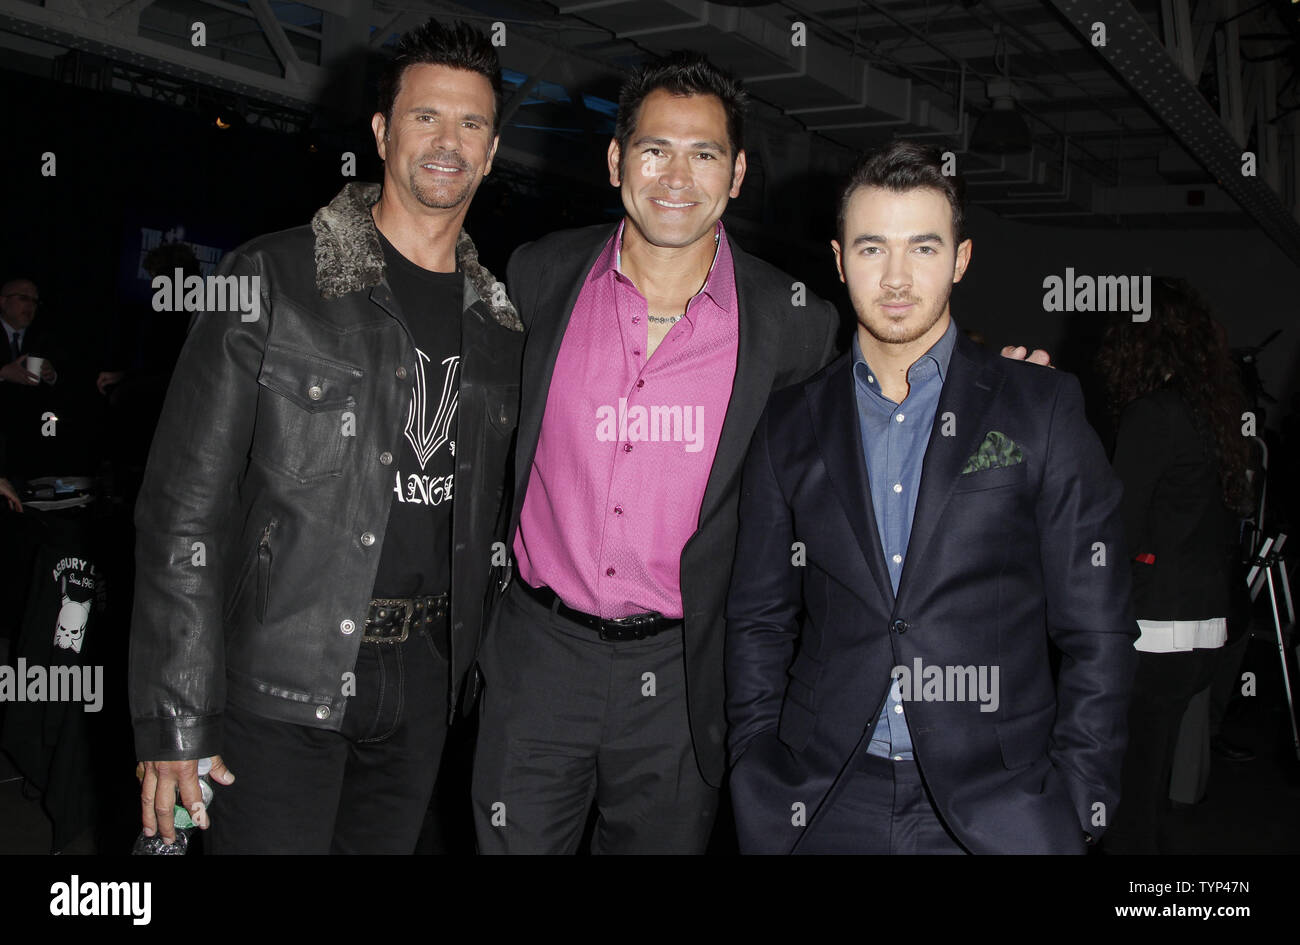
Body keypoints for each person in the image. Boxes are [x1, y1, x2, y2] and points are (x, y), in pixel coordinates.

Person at [470, 55, 1049, 854]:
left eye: (704, 154)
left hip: (686, 672)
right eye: (653, 149)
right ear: (615, 162)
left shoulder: (795, 323)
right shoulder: (543, 273)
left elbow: (880, 417)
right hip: (538, 658)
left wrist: (994, 392)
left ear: (737, 173)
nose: (678, 175)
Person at [129, 17, 524, 853]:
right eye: (425, 117)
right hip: (280, 672)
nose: (447, 142)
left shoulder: (501, 326)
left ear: (491, 152)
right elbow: (181, 511)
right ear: (381, 132)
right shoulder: (271, 277)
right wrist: (175, 714)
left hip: (422, 684)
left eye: (471, 124)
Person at [725, 140, 1138, 854]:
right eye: (871, 247)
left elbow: (1098, 629)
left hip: (999, 803)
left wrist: (1078, 797)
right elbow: (759, 618)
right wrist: (756, 762)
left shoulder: (1038, 406)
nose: (895, 277)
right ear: (837, 258)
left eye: (922, 247)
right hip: (824, 796)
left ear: (961, 258)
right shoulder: (789, 420)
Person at [1098, 278, 1251, 854]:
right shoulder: (1211, 412)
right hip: (1206, 626)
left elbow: (1118, 529)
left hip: (1156, 628)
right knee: (1150, 781)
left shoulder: (1152, 415)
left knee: (1129, 791)